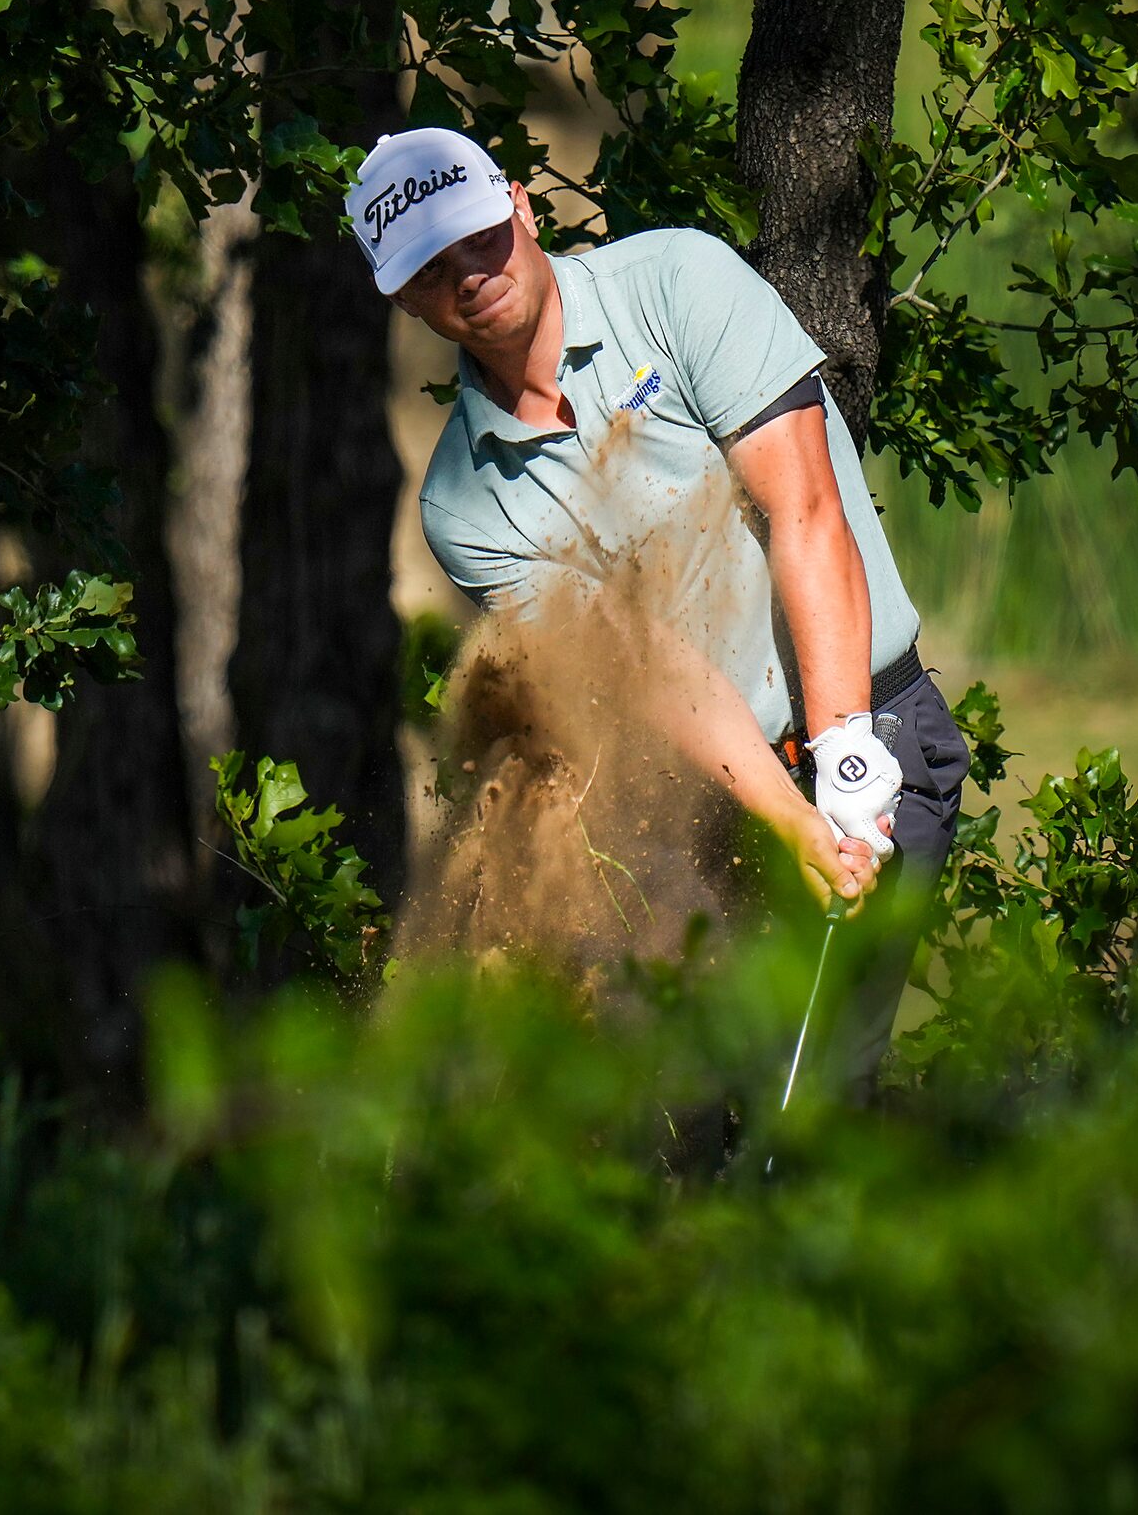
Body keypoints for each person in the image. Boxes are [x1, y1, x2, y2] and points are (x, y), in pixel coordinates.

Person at [349, 125, 969, 1097]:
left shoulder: (678, 282)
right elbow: (641, 666)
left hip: (871, 732)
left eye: (477, 236)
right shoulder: (466, 502)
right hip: (688, 800)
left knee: (807, 1110)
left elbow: (804, 508)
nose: (468, 274)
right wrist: (786, 817)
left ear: (517, 204)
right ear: (406, 299)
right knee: (669, 1126)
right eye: (432, 268)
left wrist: (843, 753)